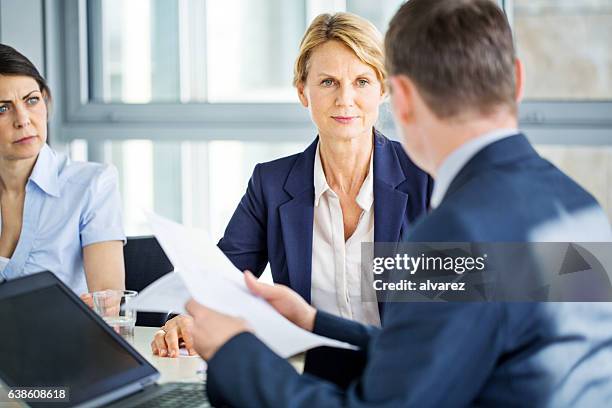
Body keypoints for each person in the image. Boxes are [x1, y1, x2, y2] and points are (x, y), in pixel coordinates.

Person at [184, 0, 612, 406]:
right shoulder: (583, 209)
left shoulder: (455, 227)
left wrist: (232, 351)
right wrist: (316, 322)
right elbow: (441, 351)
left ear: (398, 96)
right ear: (517, 80)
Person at [152, 12, 431, 358]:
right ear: (303, 91)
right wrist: (185, 317)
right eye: (328, 82)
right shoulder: (270, 185)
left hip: (404, 375)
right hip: (308, 376)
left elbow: (462, 305)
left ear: (383, 89)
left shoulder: (427, 178)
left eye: (361, 81)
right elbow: (220, 279)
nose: (345, 98)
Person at [0, 44, 125, 300]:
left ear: (45, 100)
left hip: (62, 338)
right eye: (2, 108)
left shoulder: (93, 184)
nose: (23, 119)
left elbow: (108, 304)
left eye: (31, 100)